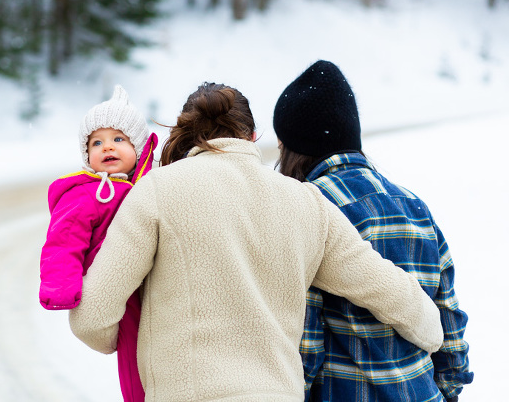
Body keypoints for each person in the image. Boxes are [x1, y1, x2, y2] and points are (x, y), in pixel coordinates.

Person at [69, 82, 443, 402]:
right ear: (252, 136)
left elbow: (92, 319)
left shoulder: (155, 191)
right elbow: (387, 290)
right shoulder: (306, 201)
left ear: (186, 135)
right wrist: (431, 331)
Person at [273, 60, 473, 402]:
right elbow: (450, 331)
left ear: (293, 149)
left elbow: (304, 350)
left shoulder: (310, 210)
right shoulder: (415, 206)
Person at [39, 84, 158, 402]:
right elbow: (62, 243)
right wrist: (60, 288)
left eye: (119, 139)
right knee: (136, 363)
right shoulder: (85, 194)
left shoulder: (152, 182)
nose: (108, 148)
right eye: (97, 142)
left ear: (140, 146)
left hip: (156, 283)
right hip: (120, 290)